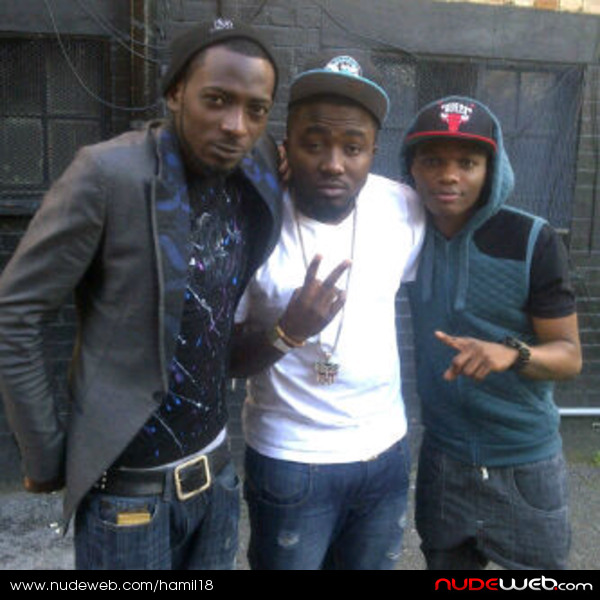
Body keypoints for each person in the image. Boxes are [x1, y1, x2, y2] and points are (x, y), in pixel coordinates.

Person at [0, 18, 282, 570]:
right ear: (175, 93)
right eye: (216, 100)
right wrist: (44, 453)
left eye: (256, 110)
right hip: (129, 497)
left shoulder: (259, 164)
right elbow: (14, 312)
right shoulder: (108, 174)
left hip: (218, 477)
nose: (236, 125)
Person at [230, 52, 425, 570]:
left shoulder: (403, 207)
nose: (334, 163)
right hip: (291, 460)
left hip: (386, 451)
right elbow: (223, 358)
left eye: (352, 147)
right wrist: (286, 331)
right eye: (314, 144)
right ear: (286, 145)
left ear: (373, 152)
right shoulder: (254, 218)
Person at [399, 95, 582, 570]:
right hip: (443, 458)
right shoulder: (401, 233)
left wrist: (514, 354)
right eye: (432, 161)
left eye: (467, 162)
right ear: (411, 167)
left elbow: (569, 356)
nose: (449, 175)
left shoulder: (531, 239)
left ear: (491, 169)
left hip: (524, 462)